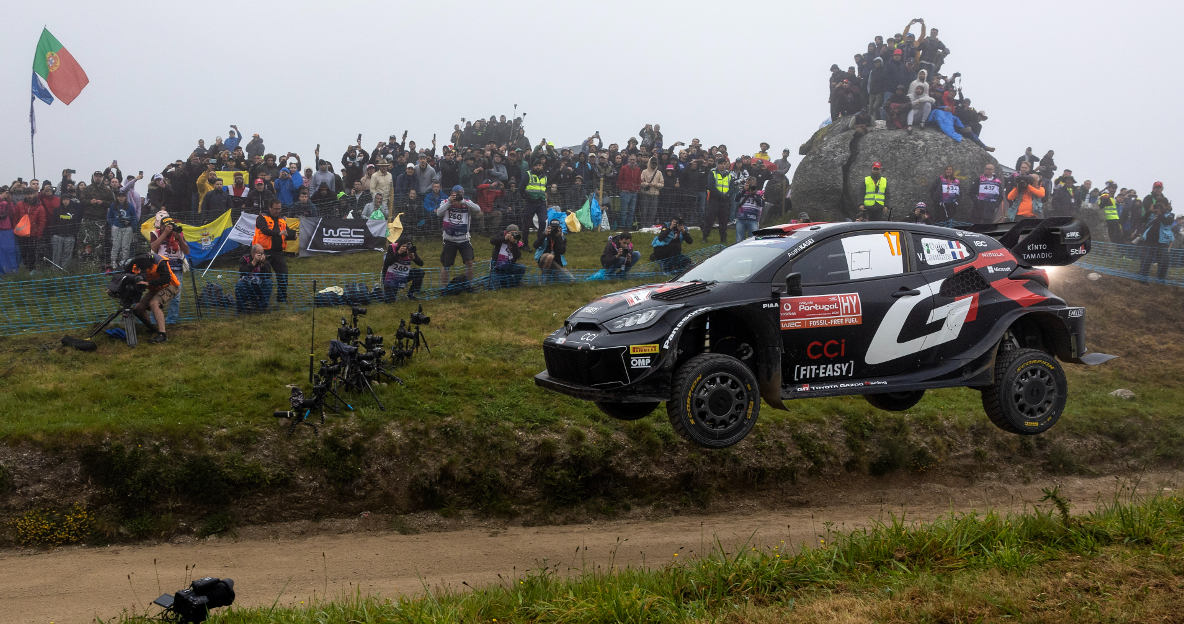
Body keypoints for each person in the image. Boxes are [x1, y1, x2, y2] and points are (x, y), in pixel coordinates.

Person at [127, 252, 179, 344]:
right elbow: (126, 275)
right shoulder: (134, 264)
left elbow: (166, 278)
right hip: (154, 288)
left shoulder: (160, 261)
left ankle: (162, 334)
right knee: (139, 308)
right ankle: (152, 328)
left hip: (170, 285)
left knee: (154, 303)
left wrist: (148, 283)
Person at [436, 185, 482, 286]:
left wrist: (464, 201)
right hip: (449, 239)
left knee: (469, 262)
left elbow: (478, 208)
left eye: (461, 194)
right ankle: (444, 287)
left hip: (464, 239)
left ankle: (469, 284)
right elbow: (439, 213)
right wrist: (449, 202)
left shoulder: (467, 203)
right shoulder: (445, 202)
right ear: (452, 193)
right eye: (457, 194)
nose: (458, 196)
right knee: (446, 265)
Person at [253, 199, 296, 303]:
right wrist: (279, 233)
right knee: (263, 276)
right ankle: (259, 298)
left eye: (279, 208)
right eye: (275, 209)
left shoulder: (282, 219)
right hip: (263, 252)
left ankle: (281, 298)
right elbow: (264, 230)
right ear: (270, 207)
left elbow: (288, 232)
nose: (277, 211)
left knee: (283, 274)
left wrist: (293, 235)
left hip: (278, 252)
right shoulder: (261, 217)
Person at [150, 216, 190, 325]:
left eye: (171, 226)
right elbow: (153, 247)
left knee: (175, 296)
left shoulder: (179, 233)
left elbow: (186, 251)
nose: (170, 228)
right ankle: (154, 321)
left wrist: (180, 239)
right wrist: (164, 234)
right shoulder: (155, 233)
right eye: (167, 226)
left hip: (176, 268)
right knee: (156, 295)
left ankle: (172, 320)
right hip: (161, 269)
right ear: (161, 226)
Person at [1136, 198, 1174, 282]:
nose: (1159, 206)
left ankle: (1161, 280)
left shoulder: (1169, 214)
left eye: (1161, 204)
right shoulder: (1151, 214)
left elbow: (1167, 222)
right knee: (1146, 259)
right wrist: (1150, 211)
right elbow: (1142, 220)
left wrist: (1160, 213)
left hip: (1162, 242)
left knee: (1164, 261)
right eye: (1157, 204)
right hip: (1149, 241)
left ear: (1166, 205)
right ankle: (1143, 279)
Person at [381, 236, 425, 301]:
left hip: (403, 275)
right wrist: (398, 253)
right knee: (390, 300)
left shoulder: (411, 250)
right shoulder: (392, 247)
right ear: (400, 245)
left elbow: (421, 263)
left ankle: (411, 294)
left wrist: (413, 258)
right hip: (390, 277)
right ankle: (378, 291)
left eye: (409, 245)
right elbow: (388, 262)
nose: (407, 247)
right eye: (405, 246)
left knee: (420, 272)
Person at [50, 185, 82, 269]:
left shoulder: (73, 211)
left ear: (69, 200)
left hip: (69, 236)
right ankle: (55, 270)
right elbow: (53, 223)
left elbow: (76, 223)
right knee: (56, 254)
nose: (65, 201)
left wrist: (74, 233)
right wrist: (54, 233)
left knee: (67, 254)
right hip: (58, 236)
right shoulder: (56, 210)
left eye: (67, 199)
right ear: (61, 200)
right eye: (64, 199)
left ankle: (64, 270)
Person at [235, 243, 273, 314]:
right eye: (259, 254)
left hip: (260, 284)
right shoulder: (244, 258)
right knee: (239, 285)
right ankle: (240, 308)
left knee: (268, 282)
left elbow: (268, 275)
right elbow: (242, 272)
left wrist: (262, 265)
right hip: (247, 283)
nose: (262, 255)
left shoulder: (265, 259)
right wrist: (254, 262)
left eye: (262, 253)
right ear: (253, 253)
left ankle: (263, 308)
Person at [106, 190, 138, 271]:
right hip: (116, 227)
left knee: (125, 246)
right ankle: (113, 261)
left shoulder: (130, 206)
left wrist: (133, 228)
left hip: (127, 228)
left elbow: (134, 217)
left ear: (125, 197)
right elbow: (109, 216)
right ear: (117, 197)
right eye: (119, 196)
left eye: (122, 196)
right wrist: (112, 224)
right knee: (116, 245)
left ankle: (123, 261)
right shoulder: (113, 205)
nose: (121, 198)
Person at [534, 217, 571, 283]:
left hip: (556, 262)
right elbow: (535, 245)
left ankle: (553, 275)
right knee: (550, 256)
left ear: (559, 228)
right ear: (549, 227)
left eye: (556, 228)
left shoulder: (562, 237)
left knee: (570, 279)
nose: (554, 230)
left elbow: (562, 251)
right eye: (553, 227)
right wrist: (545, 234)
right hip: (544, 260)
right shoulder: (544, 234)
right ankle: (544, 276)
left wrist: (558, 237)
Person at [489, 224, 526, 289]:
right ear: (507, 232)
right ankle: (499, 280)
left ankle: (513, 282)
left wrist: (514, 244)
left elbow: (517, 256)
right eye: (512, 233)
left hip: (509, 265)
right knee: (493, 287)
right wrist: (504, 238)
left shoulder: (517, 241)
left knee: (521, 267)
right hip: (497, 266)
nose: (513, 235)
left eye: (516, 233)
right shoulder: (501, 235)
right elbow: (492, 241)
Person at [704, 159, 732, 243]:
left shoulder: (729, 175)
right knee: (710, 219)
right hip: (714, 200)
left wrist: (727, 194)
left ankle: (723, 238)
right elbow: (711, 186)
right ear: (718, 164)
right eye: (722, 164)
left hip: (724, 201)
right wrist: (721, 195)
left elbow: (732, 187)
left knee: (723, 221)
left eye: (725, 164)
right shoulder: (712, 173)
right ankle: (705, 236)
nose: (723, 165)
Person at [523, 159, 550, 237]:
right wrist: (526, 197)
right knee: (526, 223)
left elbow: (545, 187)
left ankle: (540, 240)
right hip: (530, 202)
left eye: (540, 165)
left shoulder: (545, 176)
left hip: (541, 202)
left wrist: (545, 197)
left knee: (542, 221)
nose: (538, 167)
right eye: (536, 165)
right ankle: (525, 243)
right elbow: (521, 187)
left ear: (542, 166)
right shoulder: (528, 174)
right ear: (533, 166)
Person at [616, 154, 641, 230]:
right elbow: (620, 179)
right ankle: (622, 226)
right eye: (631, 159)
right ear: (628, 160)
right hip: (625, 192)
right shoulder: (624, 168)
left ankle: (629, 226)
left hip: (634, 192)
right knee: (623, 210)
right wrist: (621, 188)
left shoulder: (638, 169)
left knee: (631, 210)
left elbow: (639, 180)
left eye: (634, 159)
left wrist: (637, 189)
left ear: (636, 160)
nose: (632, 161)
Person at [639, 157, 664, 227]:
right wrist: (647, 184)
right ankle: (643, 226)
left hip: (655, 195)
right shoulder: (644, 172)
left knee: (653, 212)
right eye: (652, 163)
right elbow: (640, 182)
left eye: (655, 163)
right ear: (649, 163)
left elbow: (662, 184)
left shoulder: (659, 173)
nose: (654, 165)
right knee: (644, 211)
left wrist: (656, 185)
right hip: (645, 194)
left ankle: (649, 226)